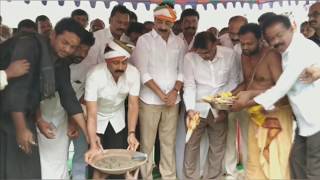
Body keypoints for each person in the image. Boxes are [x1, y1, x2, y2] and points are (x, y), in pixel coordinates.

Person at [0, 17, 87, 179]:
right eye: (65, 43)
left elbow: (69, 98)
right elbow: (17, 91)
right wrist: (20, 129)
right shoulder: (29, 46)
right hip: (7, 117)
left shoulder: (61, 63)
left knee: (29, 171)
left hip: (23, 116)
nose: (68, 49)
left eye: (73, 47)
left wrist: (90, 136)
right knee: (13, 170)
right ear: (53, 35)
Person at [240, 15, 320, 179]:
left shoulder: (301, 49)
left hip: (316, 120)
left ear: (291, 28)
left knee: (313, 170)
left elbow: (281, 88)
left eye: (279, 35)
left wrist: (247, 102)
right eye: (271, 39)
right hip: (304, 122)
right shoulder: (284, 50)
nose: (275, 42)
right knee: (296, 164)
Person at [231, 23, 293, 179]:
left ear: (260, 40)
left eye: (249, 43)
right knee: (254, 160)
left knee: (276, 161)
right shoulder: (244, 56)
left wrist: (249, 100)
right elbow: (248, 83)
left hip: (275, 115)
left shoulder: (272, 56)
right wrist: (228, 97)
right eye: (242, 43)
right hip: (255, 114)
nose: (244, 47)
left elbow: (283, 92)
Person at [132, 3, 184, 179]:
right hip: (149, 101)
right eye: (159, 22)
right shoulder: (144, 40)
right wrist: (163, 95)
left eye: (167, 23)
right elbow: (143, 72)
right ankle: (145, 176)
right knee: (146, 144)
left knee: (168, 143)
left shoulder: (179, 42)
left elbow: (182, 70)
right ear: (154, 20)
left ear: (172, 23)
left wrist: (175, 92)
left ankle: (168, 176)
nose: (163, 27)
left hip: (173, 101)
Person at [36, 26, 93, 179]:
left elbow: (75, 97)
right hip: (41, 117)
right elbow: (31, 94)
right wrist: (39, 119)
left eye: (86, 51)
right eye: (78, 49)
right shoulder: (46, 60)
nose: (81, 54)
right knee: (45, 160)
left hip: (68, 117)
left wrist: (77, 124)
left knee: (68, 157)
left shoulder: (83, 67)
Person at [183, 31, 238, 180]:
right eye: (201, 54)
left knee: (218, 146)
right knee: (191, 145)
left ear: (216, 44)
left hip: (220, 108)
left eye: (207, 52)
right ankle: (190, 178)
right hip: (197, 107)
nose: (205, 56)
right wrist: (190, 110)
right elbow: (189, 85)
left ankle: (213, 177)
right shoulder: (190, 58)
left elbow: (233, 82)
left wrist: (223, 108)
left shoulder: (229, 54)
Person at [84, 40, 140, 179]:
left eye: (124, 63)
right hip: (96, 120)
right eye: (116, 63)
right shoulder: (94, 75)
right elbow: (91, 114)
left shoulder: (133, 73)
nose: (121, 67)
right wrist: (92, 141)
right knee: (97, 164)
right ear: (107, 61)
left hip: (117, 120)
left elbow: (133, 105)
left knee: (119, 164)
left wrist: (131, 133)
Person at [220, 15, 249, 178]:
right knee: (230, 134)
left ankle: (245, 170)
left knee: (246, 135)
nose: (233, 35)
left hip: (246, 95)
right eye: (231, 30)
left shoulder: (249, 44)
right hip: (228, 94)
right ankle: (229, 170)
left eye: (237, 32)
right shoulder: (222, 40)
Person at [175, 8, 199, 179]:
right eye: (187, 22)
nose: (191, 25)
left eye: (193, 22)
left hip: (196, 94)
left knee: (196, 133)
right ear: (181, 23)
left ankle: (198, 172)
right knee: (178, 134)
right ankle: (179, 173)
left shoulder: (202, 41)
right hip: (176, 93)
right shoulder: (175, 41)